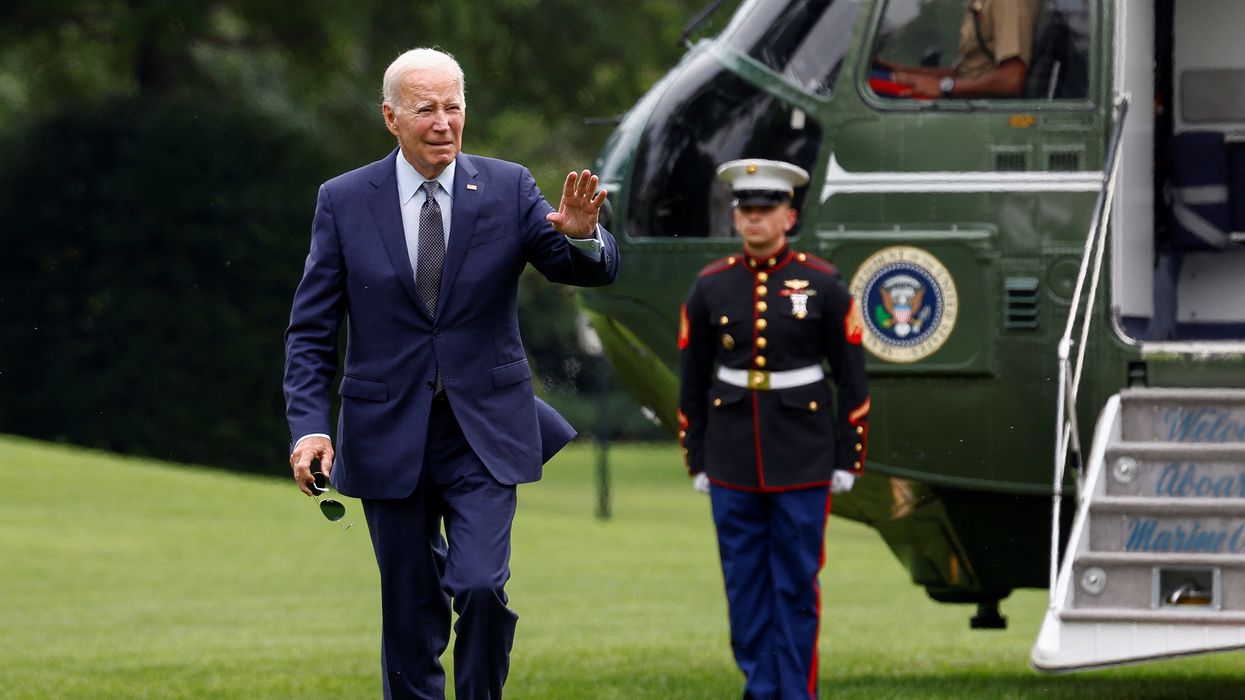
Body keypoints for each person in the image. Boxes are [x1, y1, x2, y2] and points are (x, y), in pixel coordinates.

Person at [283, 48, 618, 699]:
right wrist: (308, 429)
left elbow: (580, 266)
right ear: (390, 117)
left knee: (481, 587)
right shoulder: (344, 200)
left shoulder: (507, 186)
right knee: (408, 616)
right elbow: (312, 331)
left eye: (453, 107)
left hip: (484, 430)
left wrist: (582, 235)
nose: (442, 122)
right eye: (425, 109)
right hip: (385, 431)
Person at [677, 159, 870, 699]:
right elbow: (691, 380)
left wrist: (847, 457)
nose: (754, 220)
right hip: (733, 454)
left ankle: (794, 693)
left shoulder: (825, 283)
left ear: (790, 215)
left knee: (794, 584)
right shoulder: (711, 286)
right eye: (745, 210)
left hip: (803, 454)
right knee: (744, 587)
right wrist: (696, 456)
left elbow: (852, 377)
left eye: (766, 210)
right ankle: (761, 689)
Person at [875, 0, 1039, 99]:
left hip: (977, 108)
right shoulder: (980, 4)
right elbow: (963, 73)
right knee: (879, 77)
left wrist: (944, 87)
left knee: (872, 87)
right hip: (964, 98)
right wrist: (905, 71)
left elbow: (1012, 80)